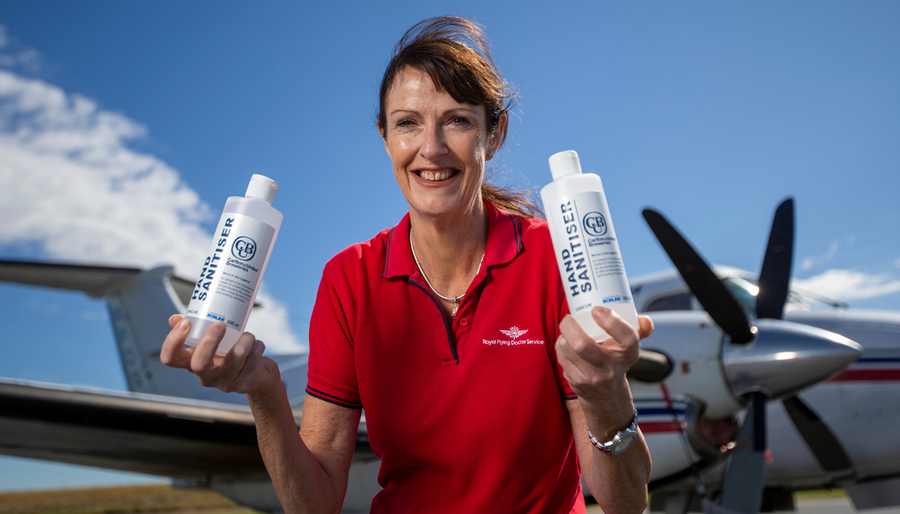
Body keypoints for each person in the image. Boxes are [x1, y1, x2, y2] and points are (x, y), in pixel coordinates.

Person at [161, 16, 653, 514]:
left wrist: (609, 394)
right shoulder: (348, 280)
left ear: (494, 133)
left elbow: (627, 505)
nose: (431, 148)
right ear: (385, 136)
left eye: (458, 120)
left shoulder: (555, 258)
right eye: (407, 123)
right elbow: (314, 504)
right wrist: (264, 395)